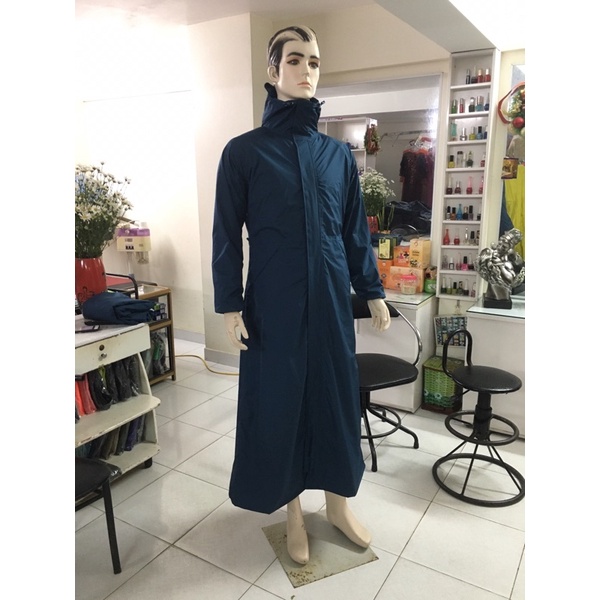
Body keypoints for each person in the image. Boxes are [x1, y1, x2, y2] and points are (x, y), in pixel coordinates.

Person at [212, 25, 391, 565]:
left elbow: (354, 231)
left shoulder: (337, 156)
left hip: (331, 302)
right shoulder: (244, 153)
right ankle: (291, 510)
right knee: (281, 403)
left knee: (335, 400)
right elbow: (226, 234)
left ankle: (338, 505)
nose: (307, 70)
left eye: (313, 61)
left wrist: (372, 291)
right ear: (273, 71)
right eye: (295, 60)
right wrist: (230, 304)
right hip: (274, 302)